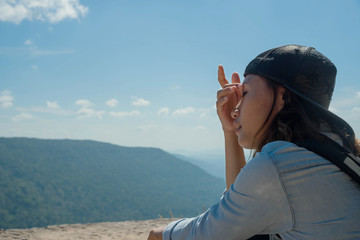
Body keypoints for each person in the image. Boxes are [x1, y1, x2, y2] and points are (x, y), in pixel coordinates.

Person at [147, 44, 360, 240]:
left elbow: (207, 234)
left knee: (159, 236)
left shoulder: (280, 166)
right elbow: (241, 212)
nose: (236, 107)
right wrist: (230, 130)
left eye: (245, 93)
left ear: (283, 97)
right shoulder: (337, 149)